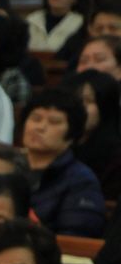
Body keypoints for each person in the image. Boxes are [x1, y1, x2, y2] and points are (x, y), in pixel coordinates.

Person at [22, 85, 108, 239]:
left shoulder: (81, 181)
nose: (40, 127)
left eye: (54, 122)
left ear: (72, 135)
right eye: (35, 119)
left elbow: (76, 239)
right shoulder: (7, 166)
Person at [69, 70, 121, 199]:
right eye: (76, 99)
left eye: (89, 101)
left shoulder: (115, 157)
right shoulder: (59, 146)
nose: (80, 107)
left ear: (105, 107)